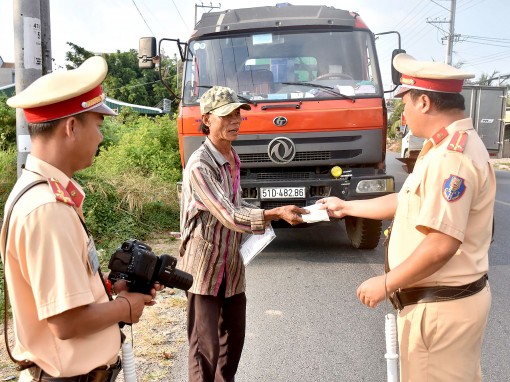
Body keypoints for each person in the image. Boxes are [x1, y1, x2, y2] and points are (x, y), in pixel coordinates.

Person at [317, 54, 495, 382]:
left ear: (424, 102)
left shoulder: (450, 158)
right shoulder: (444, 148)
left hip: (439, 310)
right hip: (443, 306)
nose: (404, 112)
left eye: (405, 101)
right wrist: (347, 207)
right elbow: (406, 201)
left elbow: (442, 243)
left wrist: (386, 283)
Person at [1, 56, 159, 381]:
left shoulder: (47, 194)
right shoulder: (47, 208)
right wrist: (127, 306)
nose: (101, 138)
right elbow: (66, 322)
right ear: (72, 127)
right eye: (98, 126)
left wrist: (111, 291)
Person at [179, 85, 308, 382]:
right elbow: (229, 215)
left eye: (238, 113)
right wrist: (274, 214)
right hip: (204, 270)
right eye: (227, 114)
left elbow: (235, 203)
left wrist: (278, 210)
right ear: (208, 119)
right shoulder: (200, 165)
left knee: (232, 348)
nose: (235, 120)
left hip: (232, 269)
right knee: (205, 354)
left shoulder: (232, 156)